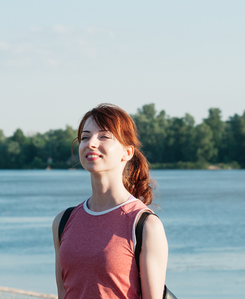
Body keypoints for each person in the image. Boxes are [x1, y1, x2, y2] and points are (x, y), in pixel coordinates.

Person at [52, 103, 169, 299]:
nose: (91, 143)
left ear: (128, 152)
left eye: (104, 136)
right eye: (85, 137)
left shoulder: (144, 225)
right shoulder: (62, 222)